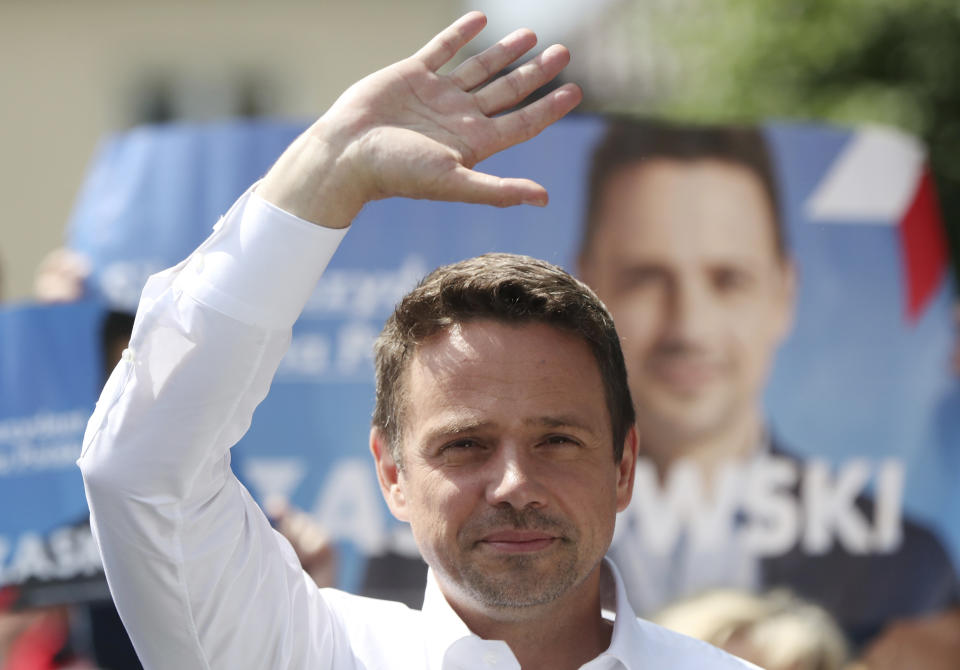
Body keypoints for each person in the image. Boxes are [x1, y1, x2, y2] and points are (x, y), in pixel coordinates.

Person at [77, 13, 757, 670]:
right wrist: (325, 172)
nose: (515, 484)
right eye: (466, 444)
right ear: (392, 473)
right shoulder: (315, 652)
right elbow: (143, 471)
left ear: (623, 468)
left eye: (557, 440)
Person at [577, 119, 960, 667]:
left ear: (786, 292)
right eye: (646, 278)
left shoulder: (911, 567)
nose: (689, 327)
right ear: (585, 289)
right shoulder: (496, 550)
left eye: (728, 279)